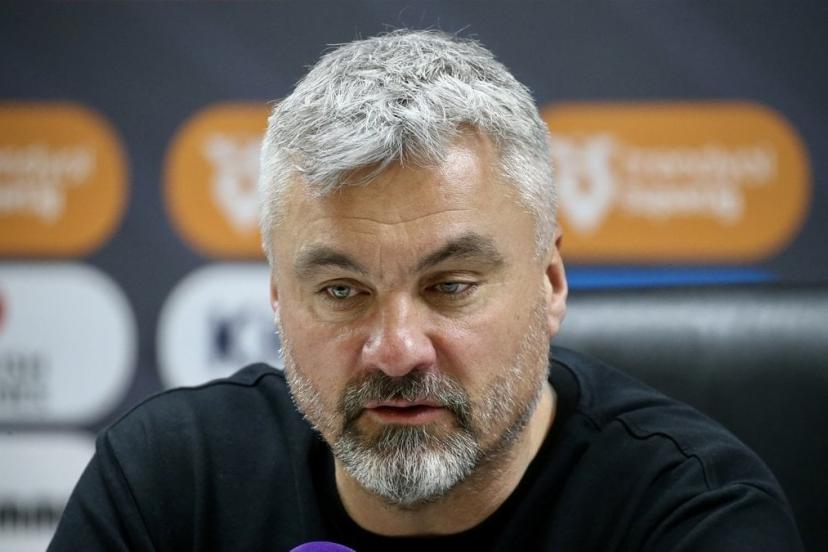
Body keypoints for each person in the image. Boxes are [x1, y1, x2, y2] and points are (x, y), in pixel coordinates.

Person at [49, 30, 802, 551]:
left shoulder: (691, 518)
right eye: (342, 291)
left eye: (450, 286)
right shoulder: (168, 484)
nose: (397, 350)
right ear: (278, 299)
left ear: (550, 282)